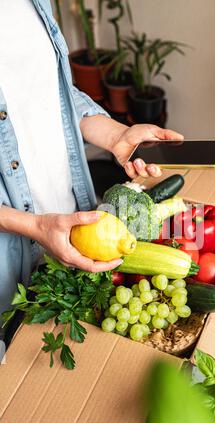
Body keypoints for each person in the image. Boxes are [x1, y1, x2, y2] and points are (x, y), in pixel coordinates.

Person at [0, 0, 183, 314]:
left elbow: (51, 93)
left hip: (75, 229)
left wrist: (116, 135)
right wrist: (36, 227)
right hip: (8, 263)